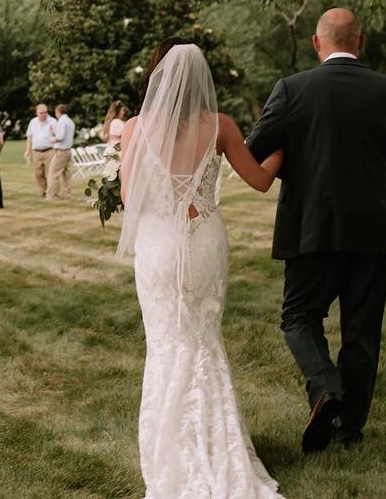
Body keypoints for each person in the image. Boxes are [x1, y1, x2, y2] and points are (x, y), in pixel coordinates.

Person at [245, 8, 386, 453]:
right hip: (372, 230)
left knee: (299, 317)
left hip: (310, 228)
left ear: (316, 43)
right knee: (362, 332)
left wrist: (299, 151)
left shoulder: (292, 89)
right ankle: (349, 428)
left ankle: (324, 388)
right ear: (361, 42)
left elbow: (255, 149)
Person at [119, 39, 283, 497]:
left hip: (159, 243)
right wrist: (285, 148)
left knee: (166, 340)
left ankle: (170, 444)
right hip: (207, 240)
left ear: (158, 77)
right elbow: (261, 180)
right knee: (203, 338)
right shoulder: (220, 126)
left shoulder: (135, 128)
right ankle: (216, 440)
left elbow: (131, 200)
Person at [23, 104, 57, 199]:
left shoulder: (53, 121)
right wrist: (27, 150)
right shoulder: (33, 122)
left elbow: (58, 136)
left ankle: (51, 193)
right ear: (37, 113)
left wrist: (54, 133)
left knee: (50, 173)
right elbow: (29, 137)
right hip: (36, 152)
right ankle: (43, 192)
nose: (43, 114)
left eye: (45, 112)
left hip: (50, 151)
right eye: (41, 113)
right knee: (38, 174)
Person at [50, 104, 75, 199]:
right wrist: (55, 132)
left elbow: (60, 137)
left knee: (53, 173)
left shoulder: (61, 121)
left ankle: (52, 195)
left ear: (58, 112)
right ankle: (67, 194)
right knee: (66, 174)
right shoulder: (70, 121)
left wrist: (53, 139)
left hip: (61, 151)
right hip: (68, 150)